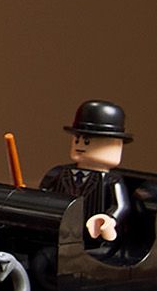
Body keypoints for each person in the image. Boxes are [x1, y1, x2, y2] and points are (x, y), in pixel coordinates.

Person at [38, 99, 132, 244]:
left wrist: (108, 220)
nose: (80, 145)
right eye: (77, 140)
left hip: (91, 237)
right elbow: (42, 195)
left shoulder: (112, 180)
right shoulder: (58, 172)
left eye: (87, 141)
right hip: (57, 233)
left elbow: (121, 206)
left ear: (117, 146)